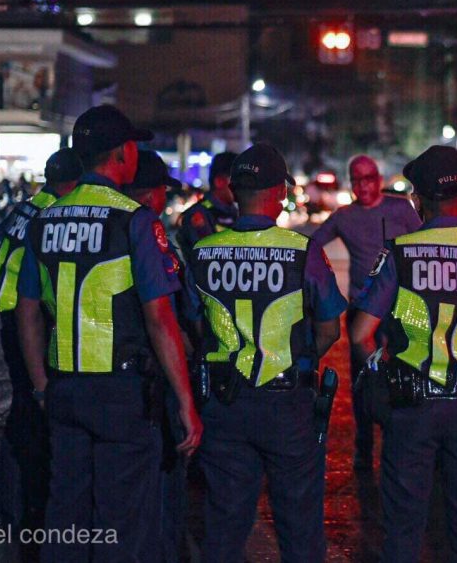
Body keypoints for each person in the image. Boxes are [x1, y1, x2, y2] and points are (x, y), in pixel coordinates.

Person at [16, 105, 202, 563]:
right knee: (124, 525)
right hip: (121, 394)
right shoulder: (134, 220)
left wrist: (42, 384)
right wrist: (184, 400)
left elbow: (27, 312)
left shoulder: (46, 219)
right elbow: (160, 318)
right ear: (122, 153)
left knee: (66, 516)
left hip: (64, 389)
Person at [348, 145, 457, 563]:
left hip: (411, 406)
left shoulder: (401, 252)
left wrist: (380, 374)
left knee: (404, 526)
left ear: (417, 199)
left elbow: (360, 334)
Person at [190, 143, 346, 563]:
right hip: (286, 403)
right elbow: (330, 327)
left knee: (224, 523)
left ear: (235, 191)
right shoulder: (302, 251)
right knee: (299, 524)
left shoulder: (203, 252)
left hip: (224, 403)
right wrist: (302, 357)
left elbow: (192, 326)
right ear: (279, 192)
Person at [0, 148, 81, 554]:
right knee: (35, 417)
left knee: (20, 411)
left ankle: (12, 506)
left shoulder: (26, 208)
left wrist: (2, 300)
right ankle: (31, 511)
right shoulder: (55, 215)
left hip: (11, 323)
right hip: (35, 326)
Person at [311, 154, 421, 469]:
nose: (364, 186)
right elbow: (311, 247)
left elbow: (423, 240)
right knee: (364, 378)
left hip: (400, 309)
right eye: (357, 179)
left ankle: (399, 438)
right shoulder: (343, 217)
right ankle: (363, 443)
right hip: (362, 307)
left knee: (402, 372)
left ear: (379, 179)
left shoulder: (400, 209)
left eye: (369, 178)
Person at [124, 150, 203, 563]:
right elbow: (174, 317)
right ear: (152, 194)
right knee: (165, 485)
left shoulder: (106, 227)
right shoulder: (150, 235)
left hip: (102, 377)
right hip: (155, 381)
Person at [176, 151, 238, 258]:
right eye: (236, 180)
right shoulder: (198, 215)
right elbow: (207, 257)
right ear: (219, 182)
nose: (240, 186)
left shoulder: (236, 212)